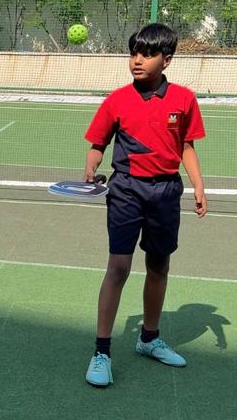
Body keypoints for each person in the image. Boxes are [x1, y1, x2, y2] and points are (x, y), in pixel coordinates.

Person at [83, 22, 207, 387]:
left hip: (167, 192)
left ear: (165, 60)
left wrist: (199, 186)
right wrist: (90, 170)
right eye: (133, 53)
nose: (137, 60)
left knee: (159, 266)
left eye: (147, 54)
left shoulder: (184, 99)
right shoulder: (117, 100)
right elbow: (97, 144)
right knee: (118, 268)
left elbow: (187, 147)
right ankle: (102, 351)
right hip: (126, 191)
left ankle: (149, 338)